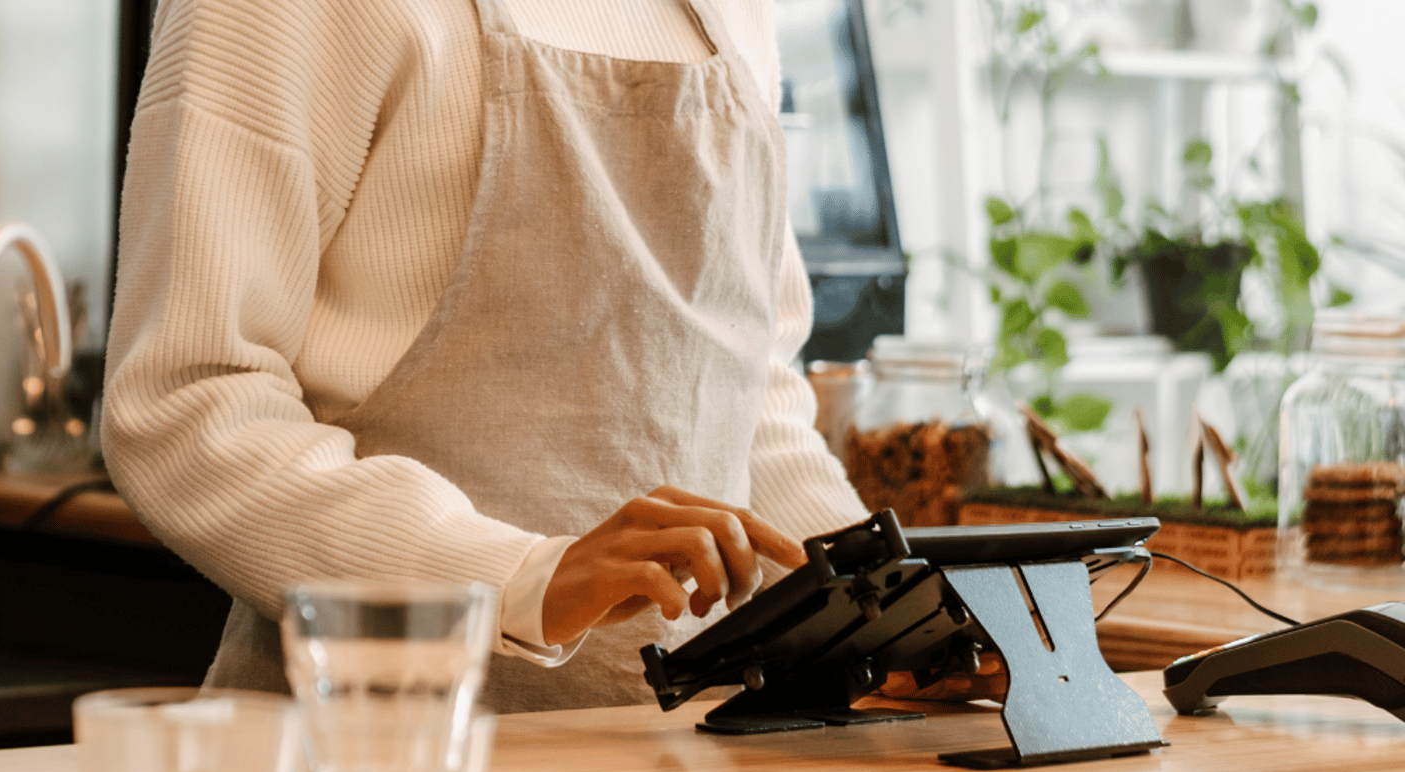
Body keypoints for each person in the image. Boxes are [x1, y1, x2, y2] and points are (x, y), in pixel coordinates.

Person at [103, 0, 871, 713]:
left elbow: (750, 402)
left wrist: (881, 611)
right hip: (370, 765)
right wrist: (517, 578)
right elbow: (189, 401)